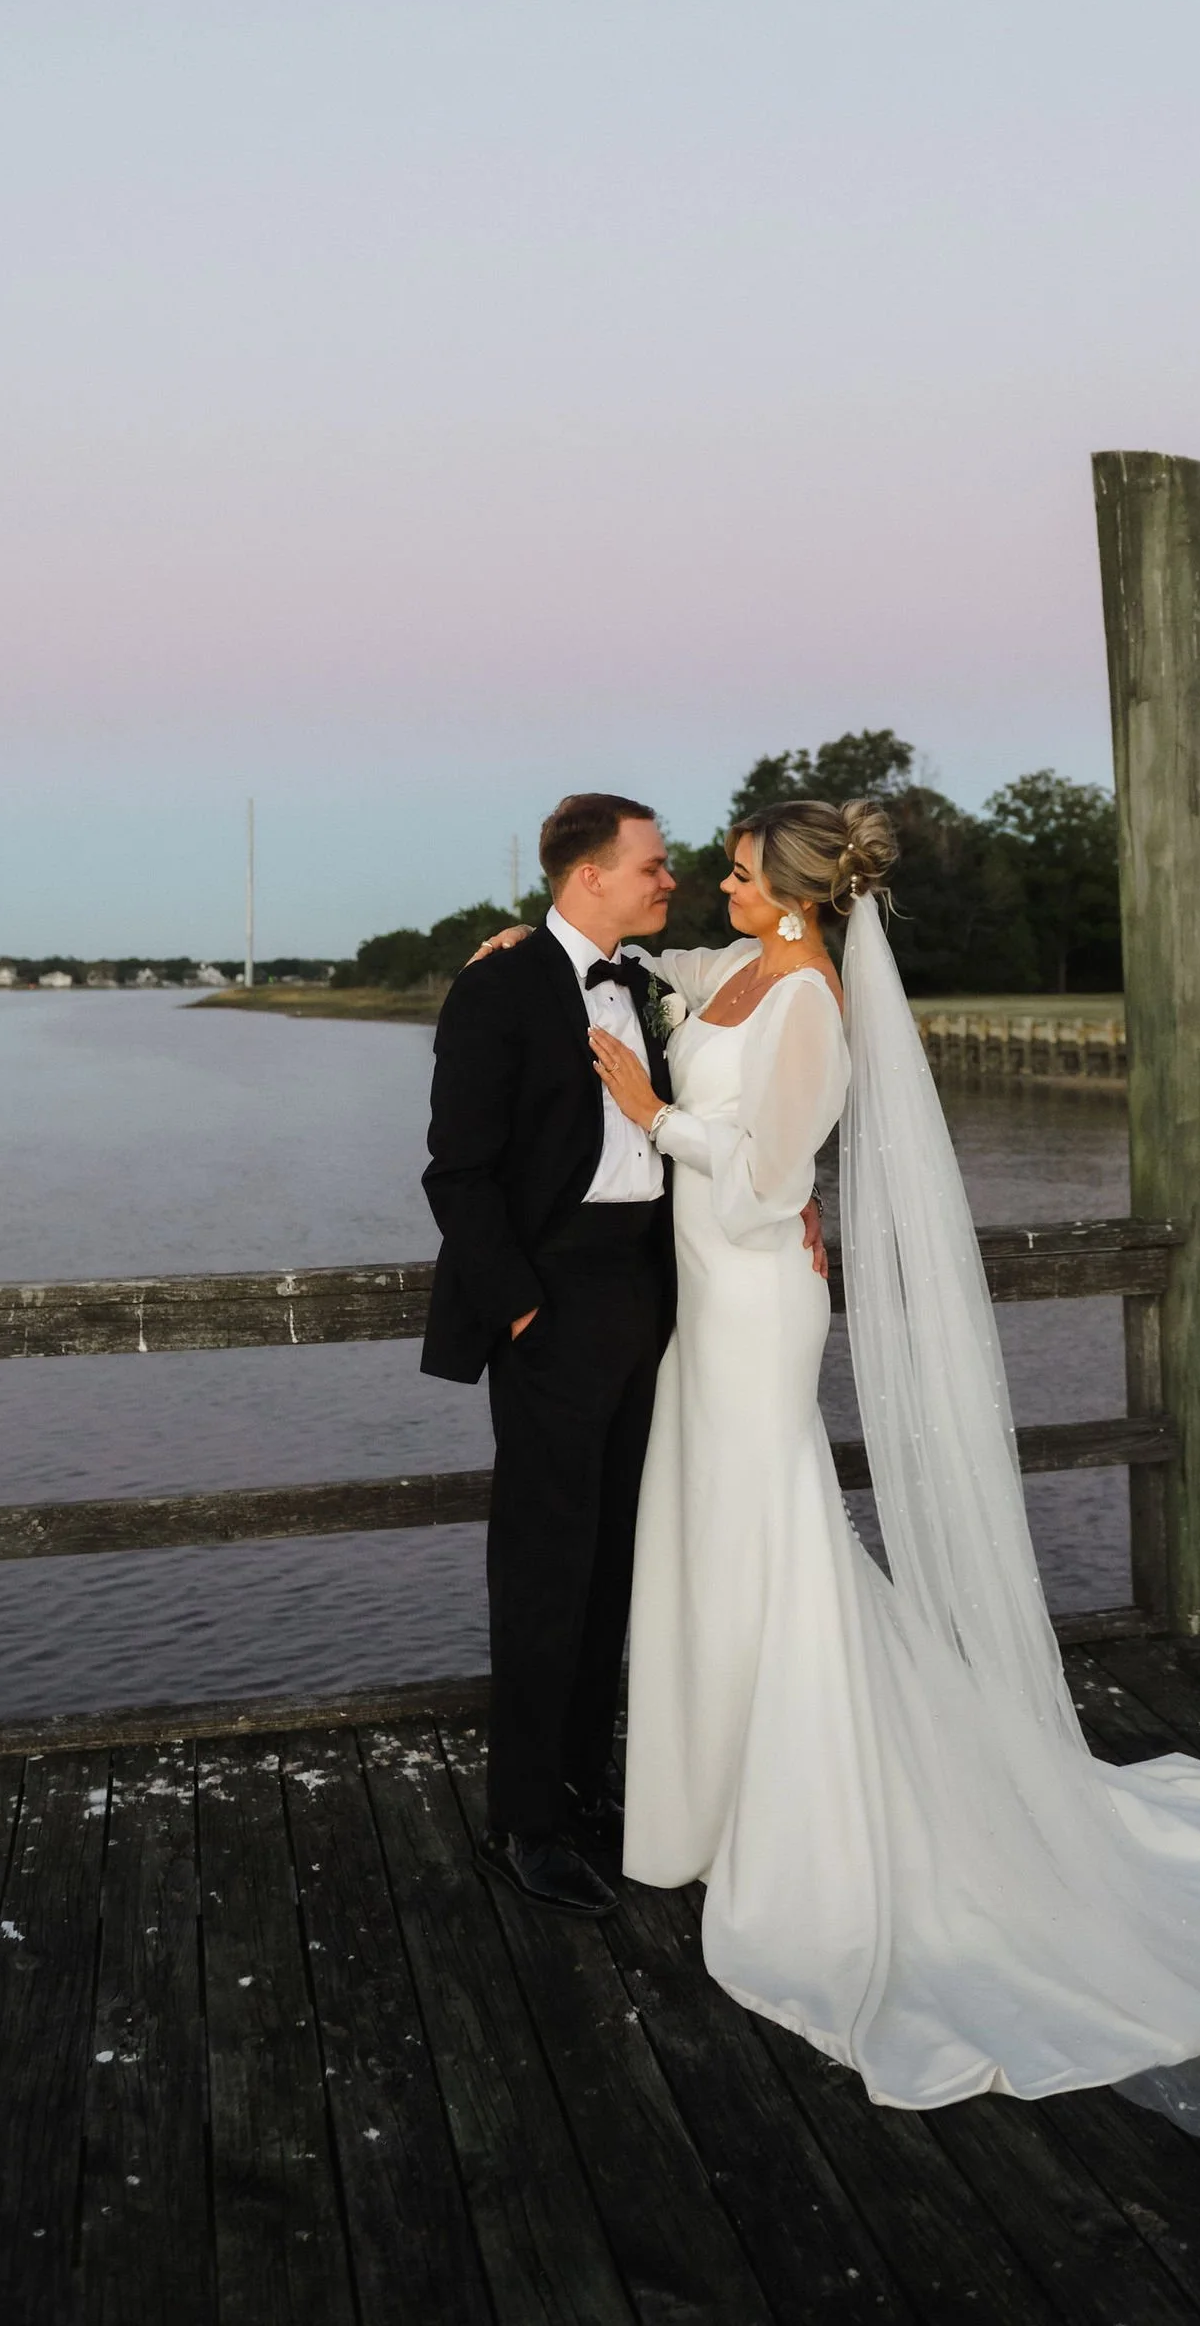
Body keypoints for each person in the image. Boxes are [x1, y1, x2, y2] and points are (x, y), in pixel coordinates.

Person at [475, 794, 1200, 2181]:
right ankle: (714, 1791)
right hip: (712, 1305)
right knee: (725, 1533)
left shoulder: (810, 1004)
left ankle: (796, 1810)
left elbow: (771, 1180)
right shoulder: (747, 973)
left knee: (767, 1528)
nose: (714, 887)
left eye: (732, 873)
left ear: (787, 891)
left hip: (756, 1294)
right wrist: (552, 951)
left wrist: (653, 1112)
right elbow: (665, 979)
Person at [421, 790, 822, 1918]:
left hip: (661, 1295)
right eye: (651, 866)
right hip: (552, 1305)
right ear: (587, 874)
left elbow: (765, 1107)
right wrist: (517, 1315)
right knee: (545, 1569)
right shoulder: (496, 987)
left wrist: (793, 1202)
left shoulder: (646, 980)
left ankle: (585, 1783)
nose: (671, 881)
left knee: (618, 1565)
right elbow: (458, 1173)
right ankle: (524, 1823)